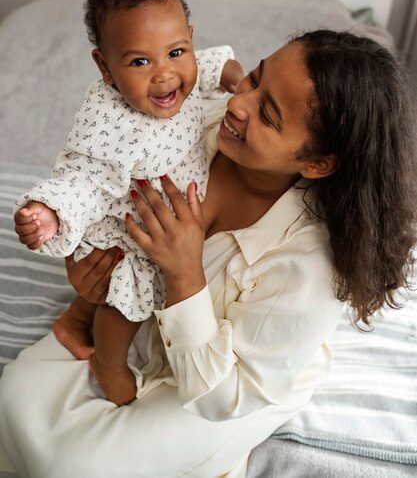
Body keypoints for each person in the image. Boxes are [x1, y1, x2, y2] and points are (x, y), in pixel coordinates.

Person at [1, 30, 416, 478]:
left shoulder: (309, 267)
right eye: (255, 79)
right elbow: (108, 193)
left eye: (269, 116)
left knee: (74, 468)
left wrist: (184, 274)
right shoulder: (197, 124)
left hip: (226, 383)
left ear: (315, 163)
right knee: (15, 397)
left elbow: (226, 396)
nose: (239, 105)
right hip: (138, 323)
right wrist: (84, 272)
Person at [13, 0, 243, 406]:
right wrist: (49, 213)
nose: (164, 74)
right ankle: (109, 363)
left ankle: (74, 319)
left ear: (189, 41)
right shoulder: (108, 120)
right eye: (139, 61)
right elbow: (82, 177)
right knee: (125, 304)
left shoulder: (188, 75)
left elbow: (212, 67)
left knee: (116, 290)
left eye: (176, 52)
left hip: (168, 219)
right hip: (131, 232)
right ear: (105, 68)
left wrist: (239, 78)